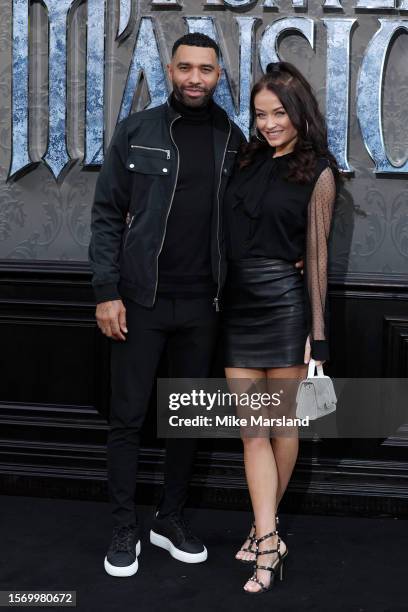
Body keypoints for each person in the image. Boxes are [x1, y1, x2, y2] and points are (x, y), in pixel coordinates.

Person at [88, 32, 245, 577]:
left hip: (205, 303)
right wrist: (106, 292)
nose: (195, 78)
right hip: (141, 301)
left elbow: (247, 219)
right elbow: (107, 215)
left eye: (205, 69)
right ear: (170, 70)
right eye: (185, 68)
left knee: (188, 419)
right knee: (127, 420)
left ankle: (169, 518)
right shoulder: (137, 131)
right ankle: (123, 528)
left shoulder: (234, 139)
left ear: (219, 75)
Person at [222, 61, 338, 594]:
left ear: (300, 114)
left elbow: (316, 261)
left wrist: (318, 337)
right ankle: (269, 534)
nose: (269, 124)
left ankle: (264, 538)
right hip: (239, 306)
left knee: (282, 427)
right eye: (261, 114)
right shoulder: (245, 161)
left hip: (286, 307)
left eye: (279, 114)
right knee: (252, 429)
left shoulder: (319, 172)